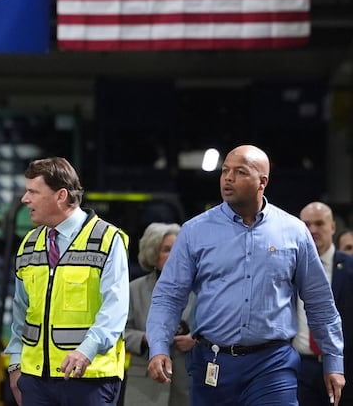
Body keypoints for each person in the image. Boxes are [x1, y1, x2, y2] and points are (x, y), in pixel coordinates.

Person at [146, 145, 346, 406]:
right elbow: (168, 297)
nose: (228, 178)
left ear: (262, 181)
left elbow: (320, 302)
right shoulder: (194, 232)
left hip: (273, 364)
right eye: (225, 171)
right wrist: (159, 347)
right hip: (212, 363)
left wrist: (333, 360)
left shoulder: (294, 232)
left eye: (240, 172)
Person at [4, 157, 130, 406]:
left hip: (89, 378)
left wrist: (87, 350)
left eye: (32, 191)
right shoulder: (29, 244)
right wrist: (16, 363)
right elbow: (21, 311)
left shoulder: (106, 239)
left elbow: (115, 308)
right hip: (35, 378)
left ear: (61, 195)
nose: (24, 199)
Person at [124, 222, 194, 406]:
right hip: (144, 386)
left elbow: (217, 328)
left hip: (188, 382)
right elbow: (118, 332)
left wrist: (195, 339)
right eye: (166, 250)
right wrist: (146, 338)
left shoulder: (199, 289)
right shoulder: (133, 289)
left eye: (176, 249)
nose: (173, 255)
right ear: (153, 254)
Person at [296, 202, 353, 406]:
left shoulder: (349, 268)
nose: (312, 230)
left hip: (345, 368)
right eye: (306, 224)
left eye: (319, 223)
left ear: (332, 227)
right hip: (299, 368)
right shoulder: (288, 268)